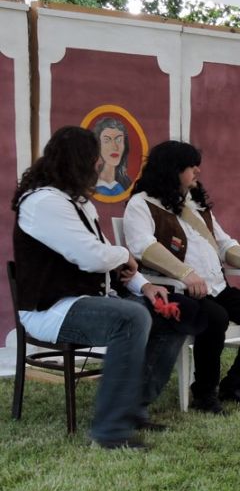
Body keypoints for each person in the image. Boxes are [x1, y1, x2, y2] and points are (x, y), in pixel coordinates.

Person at [12, 126, 193, 450]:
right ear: (79, 161)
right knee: (130, 317)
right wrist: (124, 255)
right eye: (95, 158)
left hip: (84, 301)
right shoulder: (43, 203)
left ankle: (132, 407)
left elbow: (109, 256)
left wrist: (145, 286)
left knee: (172, 314)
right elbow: (92, 257)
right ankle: (110, 431)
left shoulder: (78, 203)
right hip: (52, 309)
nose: (99, 164)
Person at [123, 140, 240, 412]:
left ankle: (235, 384)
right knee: (215, 317)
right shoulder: (141, 204)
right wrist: (185, 274)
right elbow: (144, 248)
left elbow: (225, 245)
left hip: (216, 288)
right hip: (179, 291)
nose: (197, 171)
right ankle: (204, 393)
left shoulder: (194, 205)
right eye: (191, 166)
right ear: (172, 169)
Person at [93, 117, 131, 197]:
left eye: (119, 140)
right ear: (98, 145)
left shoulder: (126, 184)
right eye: (107, 140)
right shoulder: (90, 184)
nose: (115, 147)